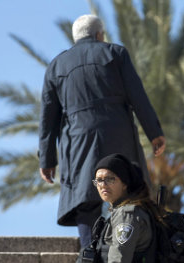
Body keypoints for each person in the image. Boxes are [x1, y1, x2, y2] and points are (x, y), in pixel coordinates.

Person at [39, 14, 166, 250]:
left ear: (76, 37)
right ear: (99, 35)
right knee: (126, 192)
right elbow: (137, 96)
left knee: (86, 199)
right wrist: (154, 133)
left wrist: (47, 159)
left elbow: (48, 117)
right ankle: (127, 253)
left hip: (76, 140)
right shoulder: (115, 53)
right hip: (117, 133)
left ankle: (90, 260)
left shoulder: (56, 66)